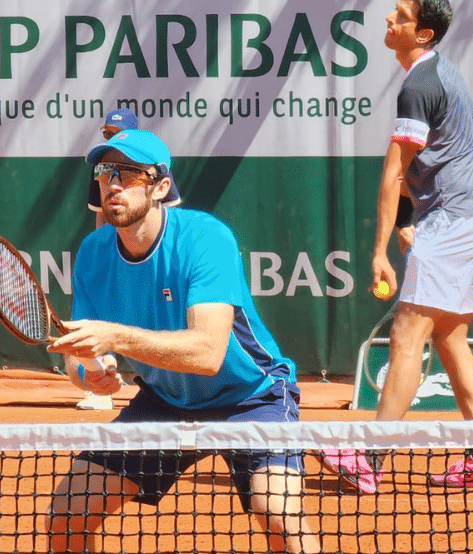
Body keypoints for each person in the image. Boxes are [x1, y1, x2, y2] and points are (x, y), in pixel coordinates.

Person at [47, 129, 319, 553]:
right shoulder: (93, 252)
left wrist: (115, 337)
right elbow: (78, 356)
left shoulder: (203, 238)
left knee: (279, 513)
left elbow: (208, 353)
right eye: (104, 172)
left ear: (160, 186)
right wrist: (91, 374)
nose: (112, 183)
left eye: (129, 173)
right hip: (165, 401)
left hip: (252, 396)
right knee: (67, 512)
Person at [322, 0, 473, 493]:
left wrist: (380, 251)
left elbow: (393, 175)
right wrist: (413, 221)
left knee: (406, 337)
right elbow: (428, 162)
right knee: (449, 336)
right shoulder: (437, 74)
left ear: (422, 33)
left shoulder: (419, 84)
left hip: (454, 221)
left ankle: (370, 459)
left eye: (399, 16)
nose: (388, 20)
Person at [76, 108, 183, 410]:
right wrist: (107, 254)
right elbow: (102, 218)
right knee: (84, 354)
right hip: (119, 253)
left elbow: (168, 214)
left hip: (151, 260)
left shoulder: (150, 167)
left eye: (116, 132)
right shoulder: (102, 170)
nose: (110, 136)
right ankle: (102, 391)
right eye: (107, 132)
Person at [87, 108, 181, 229]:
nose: (114, 186)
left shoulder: (153, 162)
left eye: (131, 173)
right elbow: (100, 213)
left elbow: (170, 207)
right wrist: (101, 244)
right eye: (108, 133)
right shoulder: (100, 164)